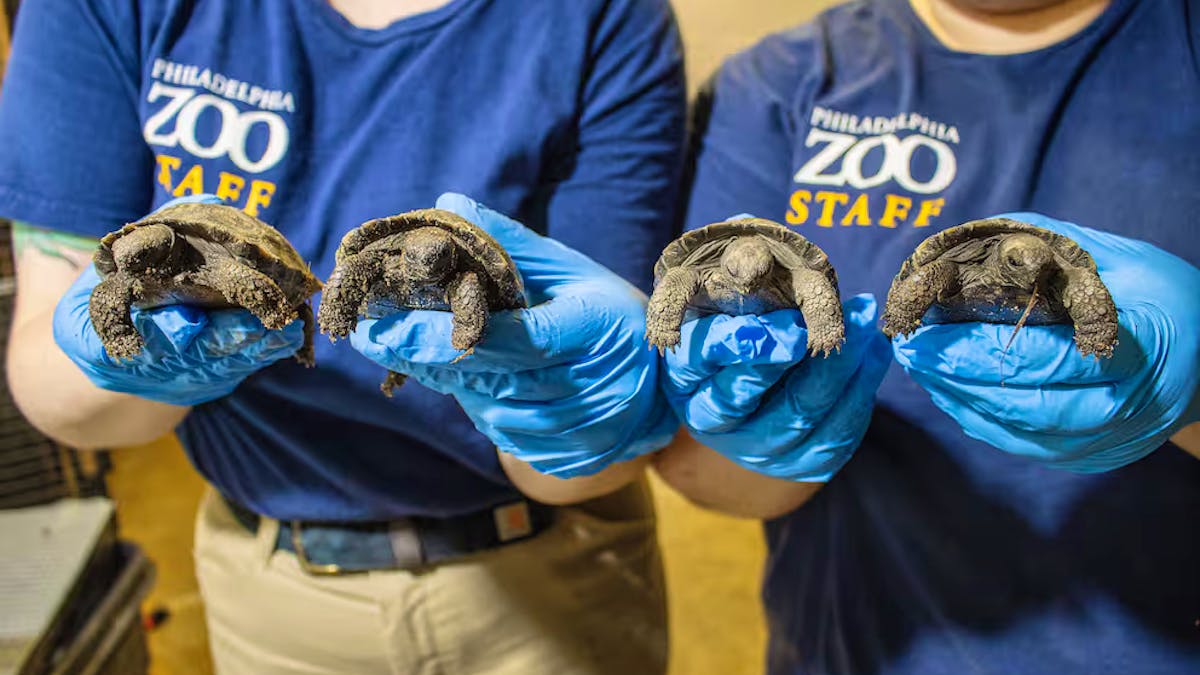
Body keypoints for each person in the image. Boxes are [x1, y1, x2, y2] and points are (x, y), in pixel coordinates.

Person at [0, 1, 685, 672]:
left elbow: (595, 446)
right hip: (270, 577)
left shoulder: (602, 17)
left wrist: (577, 408)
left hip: (549, 564)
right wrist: (123, 354)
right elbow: (50, 366)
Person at [646, 0, 1200, 672]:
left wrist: (1192, 382)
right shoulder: (782, 80)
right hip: (856, 646)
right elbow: (695, 465)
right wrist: (752, 432)